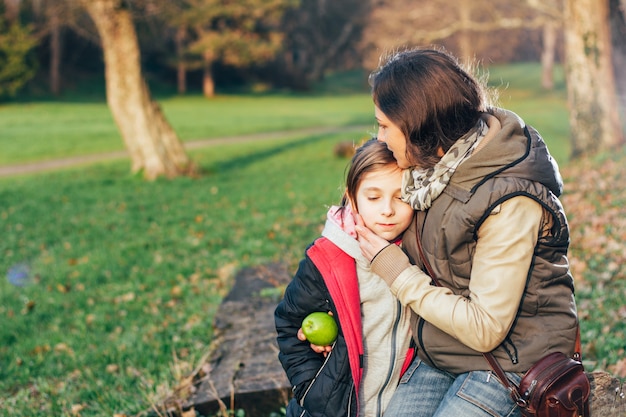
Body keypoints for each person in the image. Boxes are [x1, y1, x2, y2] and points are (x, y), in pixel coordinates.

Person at [354, 48, 580, 417]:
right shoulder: (424, 174)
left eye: (384, 125)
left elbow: (486, 329)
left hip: (513, 361)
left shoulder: (509, 198)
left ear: (417, 127)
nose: (379, 138)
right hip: (444, 350)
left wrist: (396, 271)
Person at [275, 139, 415, 417]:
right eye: (373, 197)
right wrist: (312, 390)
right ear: (352, 198)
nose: (387, 209)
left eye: (401, 197)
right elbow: (290, 323)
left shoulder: (420, 253)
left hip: (399, 405)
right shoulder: (327, 259)